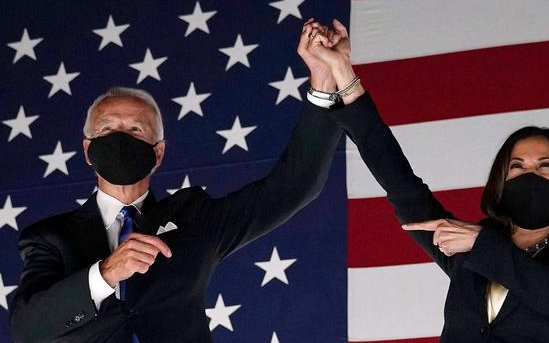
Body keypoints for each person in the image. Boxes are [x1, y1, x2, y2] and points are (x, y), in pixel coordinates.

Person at [10, 20, 341, 343]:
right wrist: (106, 273)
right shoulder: (49, 238)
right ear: (87, 149)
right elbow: (29, 328)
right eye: (108, 129)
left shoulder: (194, 217)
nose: (121, 139)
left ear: (158, 153)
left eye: (135, 130)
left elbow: (296, 186)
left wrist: (324, 83)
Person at [304, 19, 549, 342]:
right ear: (502, 182)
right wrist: (343, 73)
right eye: (516, 166)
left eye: (544, 165)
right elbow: (401, 184)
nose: (529, 172)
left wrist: (483, 245)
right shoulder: (472, 243)